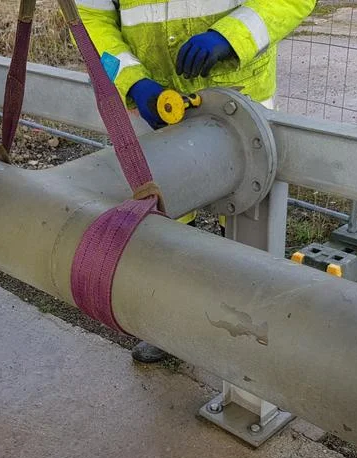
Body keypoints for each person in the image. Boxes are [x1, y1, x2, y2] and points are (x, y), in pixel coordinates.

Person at [78, 0, 316, 363]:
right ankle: (168, 324)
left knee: (245, 226)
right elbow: (91, 16)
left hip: (240, 104)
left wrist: (230, 36)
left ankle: (243, 332)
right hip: (154, 104)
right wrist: (132, 80)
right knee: (161, 219)